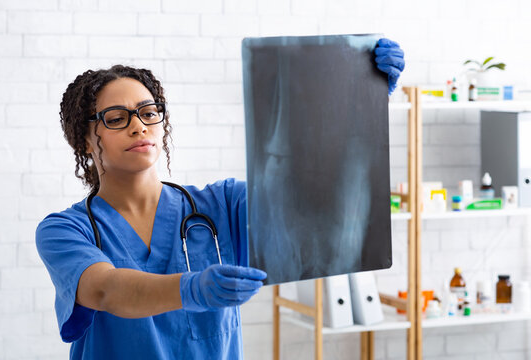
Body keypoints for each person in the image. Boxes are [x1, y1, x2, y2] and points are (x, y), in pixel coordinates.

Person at [36, 38, 405, 359]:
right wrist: (191, 288)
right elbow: (104, 289)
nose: (139, 125)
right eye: (116, 118)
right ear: (83, 139)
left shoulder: (224, 205)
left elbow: (311, 196)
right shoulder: (66, 230)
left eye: (149, 112)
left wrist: (361, 104)